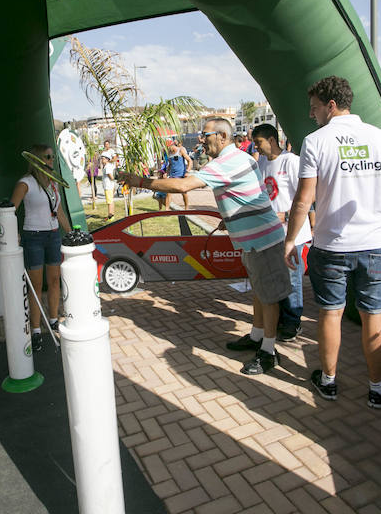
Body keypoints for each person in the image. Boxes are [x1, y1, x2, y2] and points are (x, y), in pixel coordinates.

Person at [284, 76, 381, 408]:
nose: (312, 114)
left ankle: (329, 381)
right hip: (375, 246)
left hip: (331, 246)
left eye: (315, 108)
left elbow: (303, 200)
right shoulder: (379, 138)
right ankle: (377, 389)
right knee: (373, 316)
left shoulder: (316, 141)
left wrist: (291, 240)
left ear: (330, 105)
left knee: (330, 314)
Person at [118, 117, 290, 375]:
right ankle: (256, 336)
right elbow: (247, 196)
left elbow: (182, 185)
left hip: (262, 240)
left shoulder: (225, 162)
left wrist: (139, 181)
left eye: (205, 134)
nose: (201, 139)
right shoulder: (244, 159)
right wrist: (230, 219)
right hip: (254, 239)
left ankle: (268, 351)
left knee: (268, 297)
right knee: (259, 290)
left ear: (222, 137)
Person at [251, 123, 311, 341]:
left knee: (292, 279)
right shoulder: (262, 164)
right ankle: (280, 319)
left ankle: (293, 322)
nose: (255, 147)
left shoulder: (292, 162)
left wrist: (285, 216)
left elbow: (306, 196)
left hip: (293, 234)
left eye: (258, 143)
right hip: (272, 235)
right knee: (277, 278)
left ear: (272, 140)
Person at [10, 144, 72, 352]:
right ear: (36, 159)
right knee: (36, 287)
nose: (51, 160)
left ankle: (54, 320)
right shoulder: (25, 183)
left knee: (54, 281)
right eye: (47, 157)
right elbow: (10, 209)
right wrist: (12, 232)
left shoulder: (53, 184)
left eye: (52, 157)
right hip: (33, 237)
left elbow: (60, 213)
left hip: (53, 235)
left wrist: (70, 233)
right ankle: (35, 330)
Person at [162, 140, 192, 210]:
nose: (168, 149)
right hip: (172, 174)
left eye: (168, 147)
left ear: (172, 146)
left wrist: (187, 171)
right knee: (168, 192)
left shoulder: (180, 150)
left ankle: (186, 208)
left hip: (181, 174)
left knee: (183, 192)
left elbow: (190, 160)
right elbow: (170, 165)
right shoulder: (169, 153)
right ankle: (167, 209)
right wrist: (166, 172)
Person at [101, 151, 116, 219]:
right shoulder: (108, 166)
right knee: (111, 200)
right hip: (110, 186)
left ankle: (110, 216)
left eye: (103, 158)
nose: (101, 160)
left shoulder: (107, 167)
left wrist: (113, 180)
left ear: (107, 159)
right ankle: (112, 214)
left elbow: (111, 176)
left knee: (109, 202)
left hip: (108, 186)